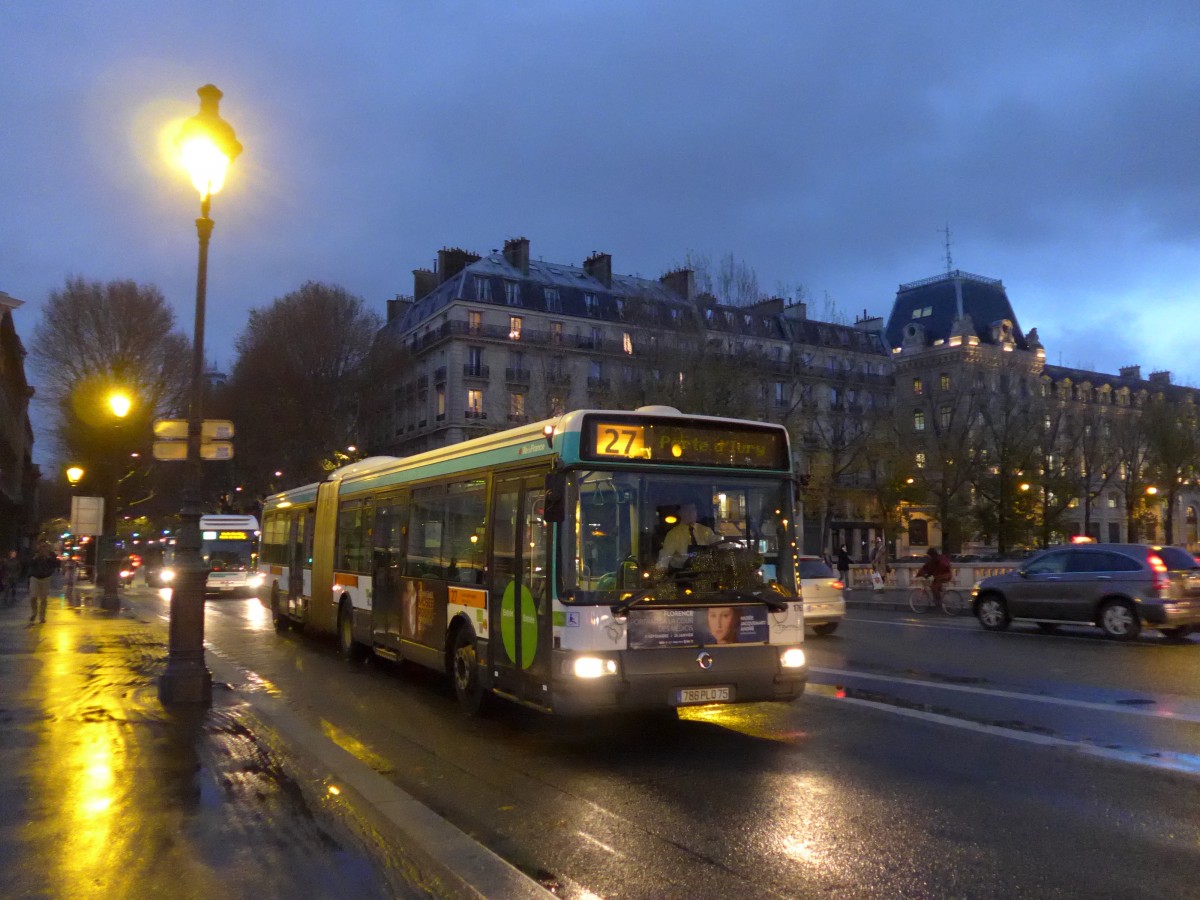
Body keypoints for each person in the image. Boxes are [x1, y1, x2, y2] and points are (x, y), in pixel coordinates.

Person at [656, 502, 718, 572]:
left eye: (693, 510)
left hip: (705, 573)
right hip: (683, 575)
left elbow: (718, 543)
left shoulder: (706, 531)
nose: (691, 513)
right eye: (687, 510)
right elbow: (665, 557)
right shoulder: (673, 534)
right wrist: (661, 572)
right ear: (680, 513)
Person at [28, 542, 60, 624]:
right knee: (33, 597)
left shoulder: (50, 555)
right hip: (35, 577)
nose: (42, 548)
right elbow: (29, 563)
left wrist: (49, 558)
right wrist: (35, 557)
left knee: (43, 599)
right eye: (41, 546)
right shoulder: (35, 554)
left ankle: (42, 617)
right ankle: (34, 613)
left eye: (44, 546)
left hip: (45, 578)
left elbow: (55, 564)